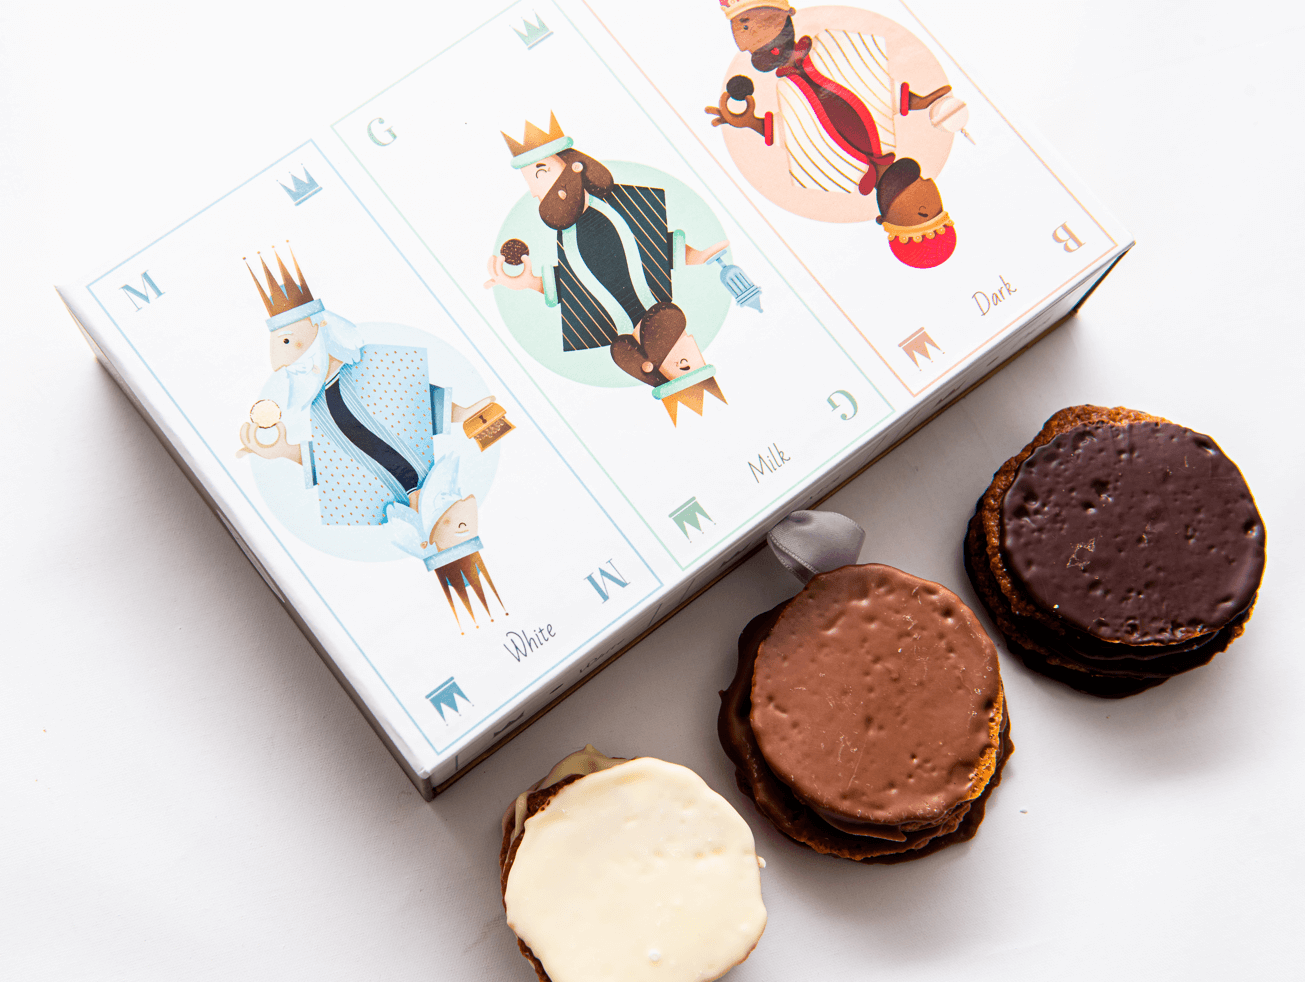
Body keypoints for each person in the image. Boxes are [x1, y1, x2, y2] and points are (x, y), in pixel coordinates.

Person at [484, 113, 731, 423]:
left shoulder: (595, 327)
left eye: (541, 173)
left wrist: (529, 283)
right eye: (532, 181)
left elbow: (575, 287)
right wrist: (697, 256)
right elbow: (655, 248)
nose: (536, 192)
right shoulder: (608, 212)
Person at [237, 247, 493, 523]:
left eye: (287, 341)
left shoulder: (370, 364)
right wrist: (284, 451)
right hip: (393, 510)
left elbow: (414, 397)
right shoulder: (318, 406)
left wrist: (462, 414)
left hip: (435, 486)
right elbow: (331, 458)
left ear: (319, 326)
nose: (279, 363)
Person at [705, 1, 960, 268]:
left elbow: (791, 135)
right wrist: (923, 101)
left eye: (928, 208)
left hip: (789, 64)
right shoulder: (832, 47)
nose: (930, 182)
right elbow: (879, 90)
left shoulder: (828, 177)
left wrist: (749, 122)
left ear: (922, 211)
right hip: (812, 51)